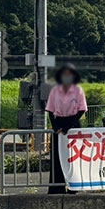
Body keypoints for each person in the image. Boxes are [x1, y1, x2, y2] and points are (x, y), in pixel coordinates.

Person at [45, 63, 88, 194]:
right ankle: (56, 188)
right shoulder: (54, 90)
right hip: (58, 124)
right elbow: (50, 110)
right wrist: (55, 126)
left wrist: (69, 126)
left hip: (73, 124)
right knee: (57, 157)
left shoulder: (78, 90)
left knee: (72, 157)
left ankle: (73, 187)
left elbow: (82, 110)